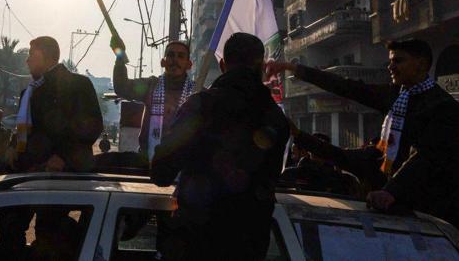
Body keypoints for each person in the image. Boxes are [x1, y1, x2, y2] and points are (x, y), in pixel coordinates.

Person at [267, 39, 459, 227]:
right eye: (390, 61)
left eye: (398, 61)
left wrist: (390, 191)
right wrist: (292, 69)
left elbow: (425, 157)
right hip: (392, 209)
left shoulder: (442, 107)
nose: (391, 67)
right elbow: (347, 87)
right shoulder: (397, 97)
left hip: (431, 215)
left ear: (421, 64)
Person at [151, 33, 289, 261]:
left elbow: (161, 173)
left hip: (193, 244)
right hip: (249, 247)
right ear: (262, 67)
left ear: (223, 65)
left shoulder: (199, 106)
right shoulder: (276, 118)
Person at [0, 36, 103, 258]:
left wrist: (63, 157)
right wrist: (12, 146)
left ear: (46, 57)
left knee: (49, 233)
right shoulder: (29, 91)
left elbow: (92, 126)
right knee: (9, 225)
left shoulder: (77, 84)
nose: (27, 61)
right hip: (26, 173)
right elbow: (23, 128)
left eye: (31, 55)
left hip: (57, 174)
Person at [111, 37, 193, 160]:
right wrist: (119, 54)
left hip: (184, 165)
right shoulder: (151, 86)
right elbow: (122, 87)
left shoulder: (197, 93)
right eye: (171, 55)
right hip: (148, 162)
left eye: (181, 56)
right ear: (163, 62)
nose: (175, 60)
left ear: (189, 64)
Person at [279, 132, 362, 197]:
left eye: (322, 148)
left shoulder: (345, 180)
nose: (318, 152)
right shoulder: (291, 173)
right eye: (315, 147)